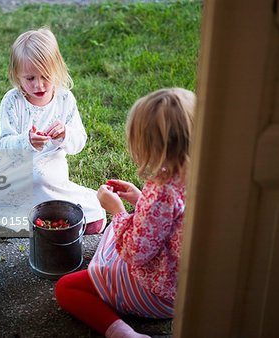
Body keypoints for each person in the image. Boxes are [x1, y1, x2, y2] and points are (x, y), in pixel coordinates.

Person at [55, 88, 195, 337]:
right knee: (112, 241)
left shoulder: (162, 190)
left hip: (160, 292)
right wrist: (140, 199)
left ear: (152, 146)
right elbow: (170, 223)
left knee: (66, 288)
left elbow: (135, 253)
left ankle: (123, 333)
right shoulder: (195, 175)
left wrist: (117, 210)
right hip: (186, 285)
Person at [0, 27, 106, 234]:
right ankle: (32, 219)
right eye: (29, 78)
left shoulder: (64, 99)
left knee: (41, 180)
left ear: (57, 70)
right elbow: (4, 145)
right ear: (16, 75)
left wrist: (65, 134)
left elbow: (79, 141)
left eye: (45, 76)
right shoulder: (12, 101)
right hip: (14, 168)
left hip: (49, 169)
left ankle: (64, 215)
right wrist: (26, 141)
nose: (38, 85)